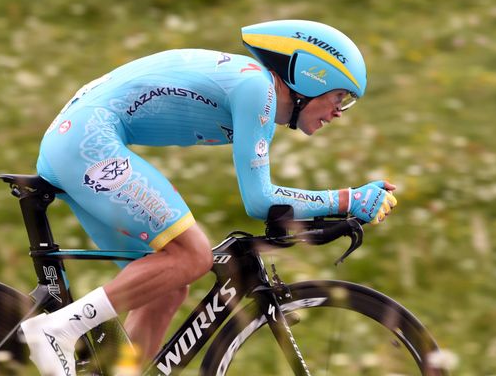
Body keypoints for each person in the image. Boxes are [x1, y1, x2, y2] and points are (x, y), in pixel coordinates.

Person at [20, 20, 398, 375]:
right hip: (88, 140)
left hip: (76, 140)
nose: (338, 112)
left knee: (168, 287)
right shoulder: (258, 89)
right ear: (310, 77)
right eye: (340, 97)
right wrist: (348, 200)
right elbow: (260, 200)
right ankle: (58, 329)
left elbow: (269, 204)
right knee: (193, 256)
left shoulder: (257, 93)